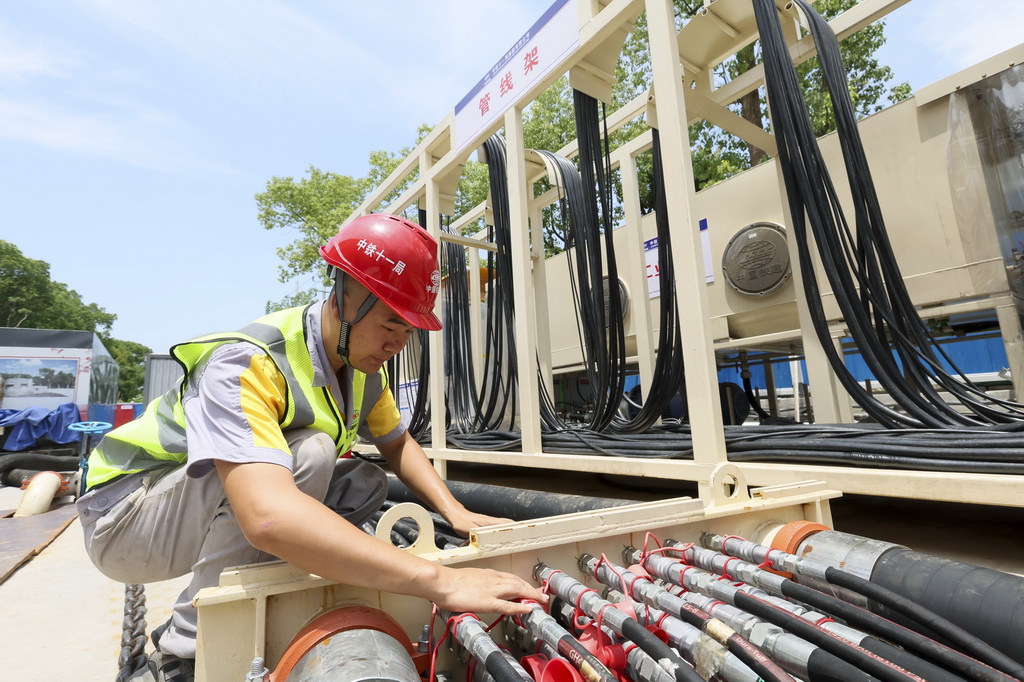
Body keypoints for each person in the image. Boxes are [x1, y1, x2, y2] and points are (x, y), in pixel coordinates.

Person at [77, 213, 547, 682]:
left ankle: (277, 584)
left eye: (408, 333)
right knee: (313, 453)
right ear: (345, 295)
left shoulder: (363, 372)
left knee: (363, 480)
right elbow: (267, 516)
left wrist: (455, 511)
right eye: (389, 325)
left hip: (187, 513)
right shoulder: (247, 362)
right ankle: (187, 650)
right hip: (125, 520)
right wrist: (441, 582)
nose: (395, 344)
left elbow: (396, 442)